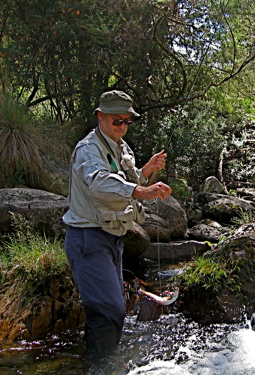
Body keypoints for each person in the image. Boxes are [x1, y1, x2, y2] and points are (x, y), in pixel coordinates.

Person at [62, 90, 172, 358]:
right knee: (108, 311)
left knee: (112, 311)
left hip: (113, 239)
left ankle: (102, 361)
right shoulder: (88, 150)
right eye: (117, 120)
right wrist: (141, 191)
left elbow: (132, 178)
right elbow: (99, 181)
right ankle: (100, 366)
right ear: (101, 116)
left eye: (127, 121)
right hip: (88, 239)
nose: (122, 126)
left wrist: (147, 169)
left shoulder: (121, 146)